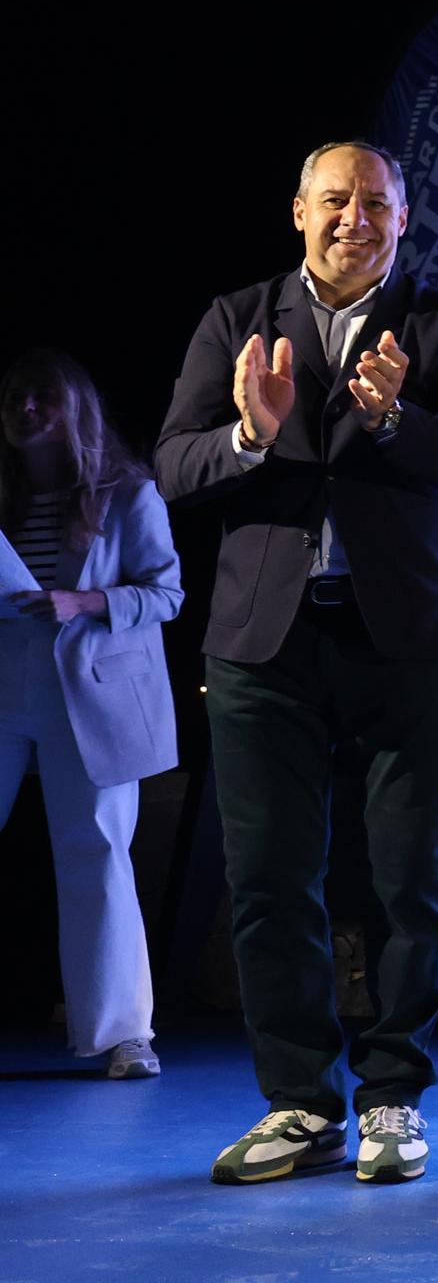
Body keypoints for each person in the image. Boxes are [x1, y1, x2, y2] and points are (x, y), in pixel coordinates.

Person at [155, 140, 438, 1186]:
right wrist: (249, 439)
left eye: (379, 203)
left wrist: (395, 418)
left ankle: (392, 1093)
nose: (358, 218)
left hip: (407, 639)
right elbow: (173, 464)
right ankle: (300, 1103)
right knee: (267, 881)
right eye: (337, 200)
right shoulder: (237, 318)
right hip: (265, 644)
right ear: (299, 210)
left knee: (410, 876)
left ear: (404, 220)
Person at [2, 349, 182, 1082]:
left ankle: (123, 1034)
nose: (25, 410)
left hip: (93, 692)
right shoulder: (3, 498)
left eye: (42, 397)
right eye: (15, 398)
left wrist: (88, 602)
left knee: (98, 854)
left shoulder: (126, 495)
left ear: (75, 408)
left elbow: (167, 594)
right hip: (9, 684)